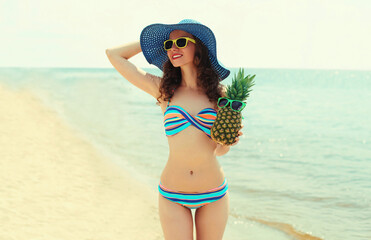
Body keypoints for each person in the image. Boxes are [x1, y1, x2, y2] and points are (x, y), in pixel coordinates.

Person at [106, 19, 243, 240]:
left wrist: (228, 141)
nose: (173, 48)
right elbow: (113, 55)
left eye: (180, 42)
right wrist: (152, 42)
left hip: (214, 193)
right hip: (173, 194)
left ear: (198, 47)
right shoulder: (163, 90)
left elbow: (219, 151)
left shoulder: (221, 95)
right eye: (168, 45)